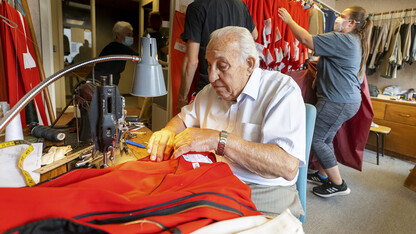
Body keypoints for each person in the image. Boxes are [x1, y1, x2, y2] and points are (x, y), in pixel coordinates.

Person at [147, 26, 306, 218]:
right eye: (209, 65)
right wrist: (167, 131)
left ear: (249, 64)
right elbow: (182, 119)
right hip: (214, 182)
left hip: (263, 192)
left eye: (222, 66)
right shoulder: (209, 92)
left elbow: (287, 166)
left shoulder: (281, 91)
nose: (212, 77)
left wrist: (219, 140)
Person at [278, 6, 373, 198]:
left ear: (352, 23)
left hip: (337, 101)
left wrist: (289, 20)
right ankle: (323, 175)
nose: (338, 19)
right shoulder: (356, 41)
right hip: (345, 101)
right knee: (325, 138)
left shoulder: (344, 39)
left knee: (316, 138)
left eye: (342, 16)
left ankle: (338, 184)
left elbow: (307, 40)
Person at [177, 0, 258, 110]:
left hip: (210, 86)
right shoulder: (241, 5)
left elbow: (191, 62)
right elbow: (254, 34)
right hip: (238, 87)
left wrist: (182, 98)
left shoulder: (197, 7)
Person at [140, 12, 169, 128]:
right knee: (151, 96)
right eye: (159, 20)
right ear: (153, 21)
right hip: (156, 67)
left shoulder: (147, 32)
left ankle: (148, 120)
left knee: (151, 95)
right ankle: (143, 120)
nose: (161, 23)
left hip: (150, 66)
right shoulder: (154, 34)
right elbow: (166, 50)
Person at [89, 21, 138, 85]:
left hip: (99, 81)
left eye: (131, 35)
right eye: (128, 34)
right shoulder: (118, 47)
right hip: (100, 82)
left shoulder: (111, 47)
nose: (131, 37)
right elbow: (139, 57)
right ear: (118, 35)